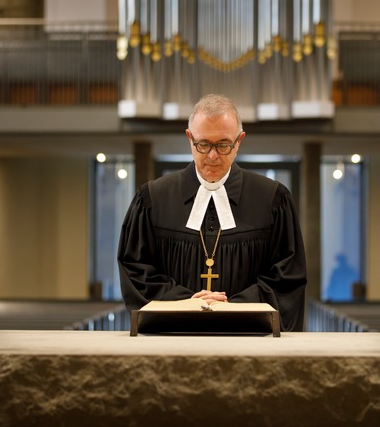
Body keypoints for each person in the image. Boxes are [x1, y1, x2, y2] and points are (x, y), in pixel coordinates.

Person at [117, 94, 307, 331]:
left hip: (248, 339)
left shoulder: (272, 199)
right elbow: (135, 270)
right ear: (189, 138)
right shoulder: (153, 199)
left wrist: (233, 307)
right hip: (173, 338)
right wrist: (185, 302)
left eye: (224, 144)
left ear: (239, 142)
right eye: (204, 144)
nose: (213, 156)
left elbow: (287, 278)